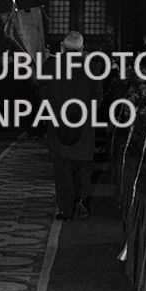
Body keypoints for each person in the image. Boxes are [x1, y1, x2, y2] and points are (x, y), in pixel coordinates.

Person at [35, 30, 103, 220]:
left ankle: (65, 208)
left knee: (62, 166)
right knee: (83, 164)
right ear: (82, 48)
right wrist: (82, 113)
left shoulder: (50, 66)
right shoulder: (92, 66)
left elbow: (43, 94)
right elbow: (98, 96)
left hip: (58, 121)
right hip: (84, 122)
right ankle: (81, 199)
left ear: (62, 47)